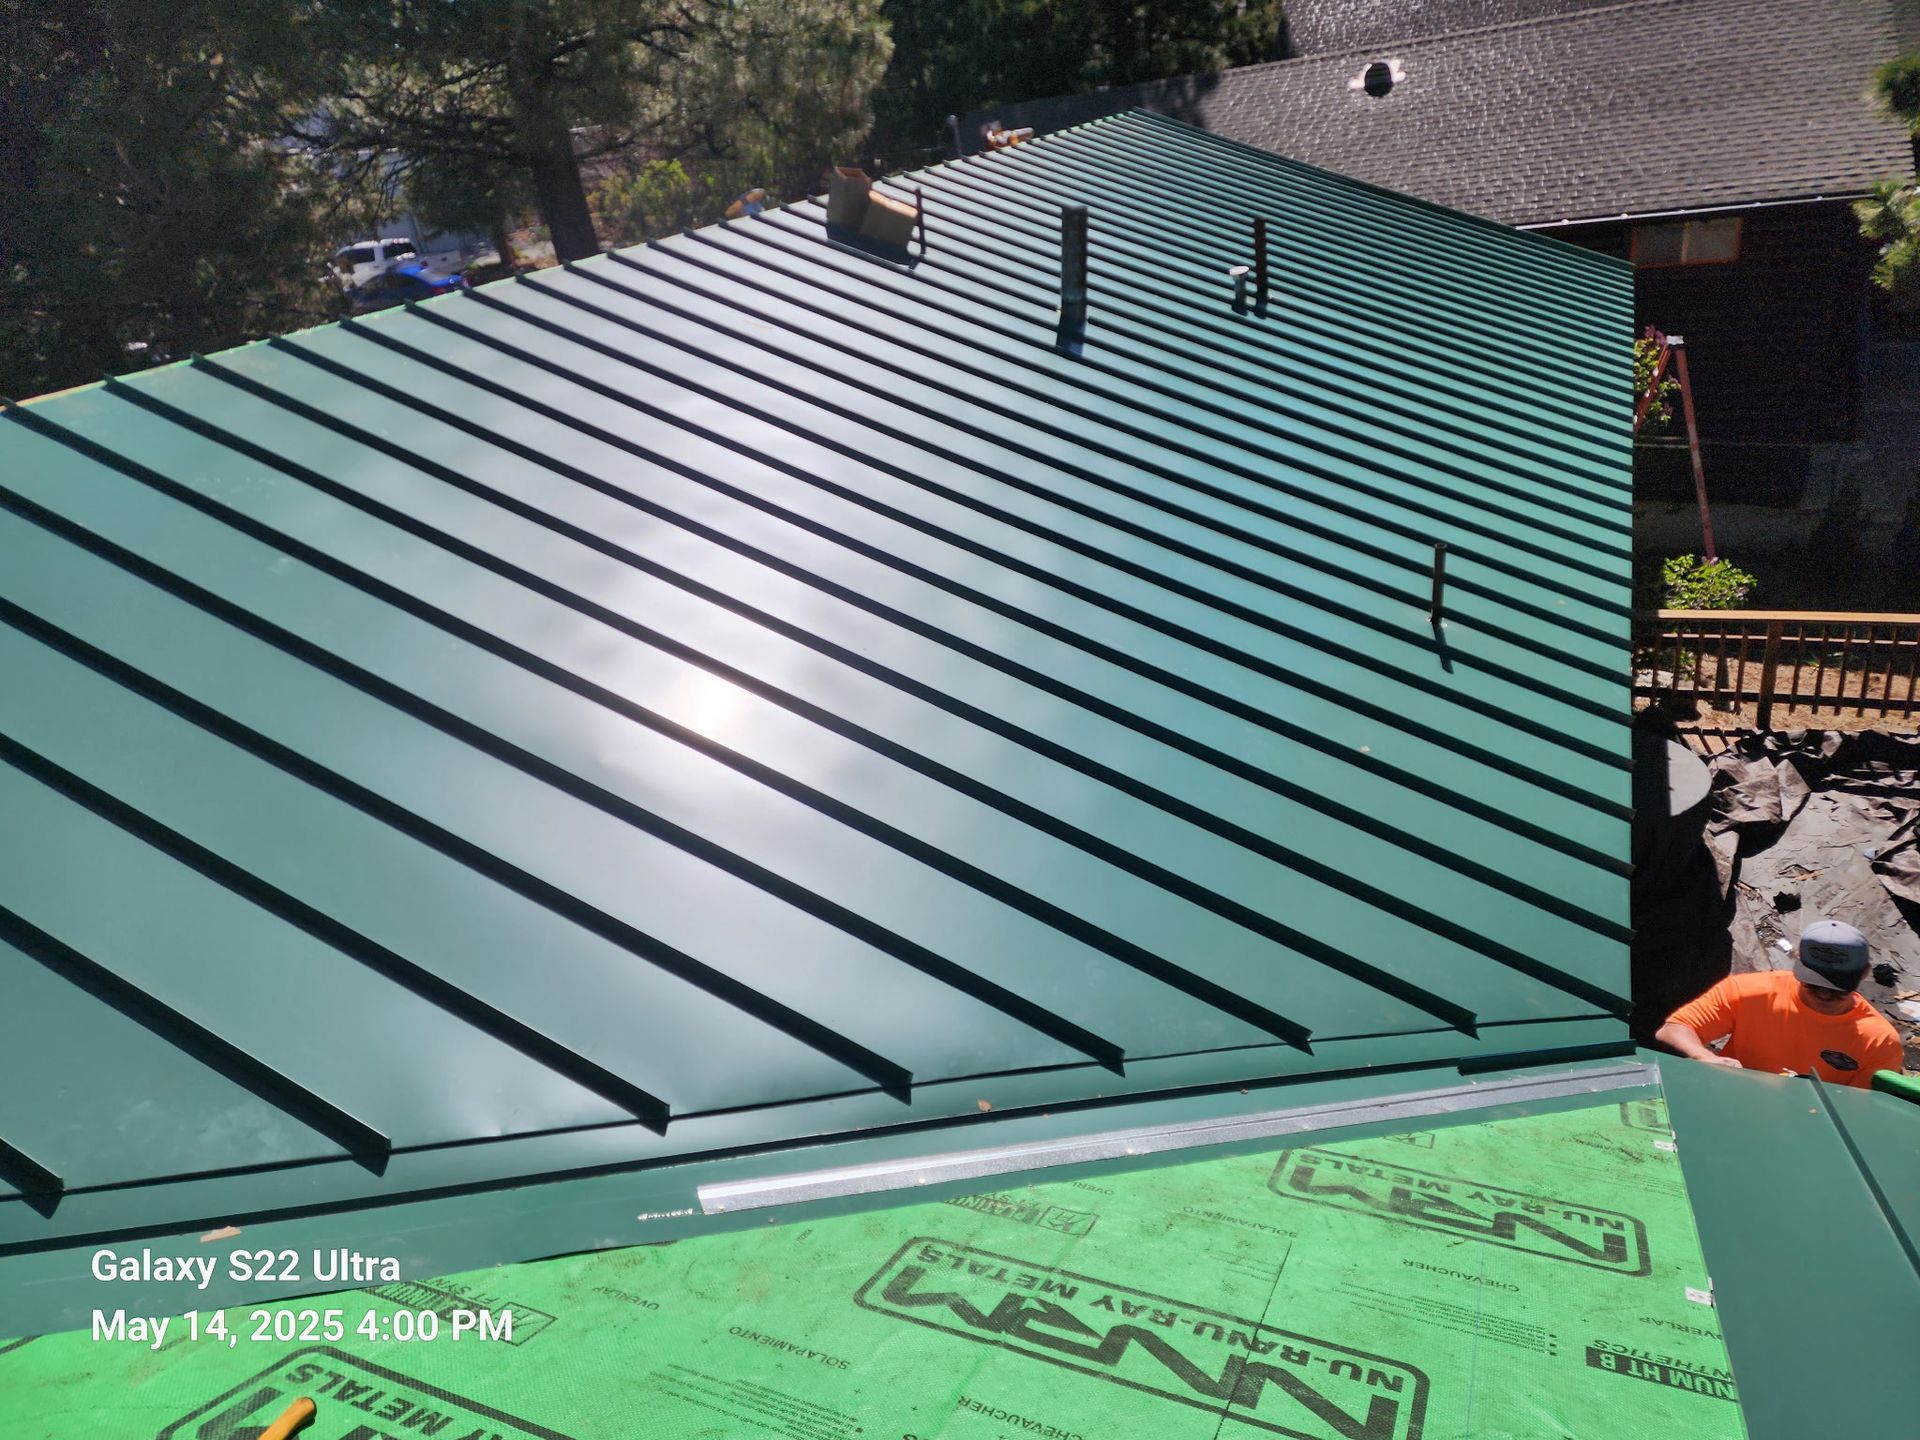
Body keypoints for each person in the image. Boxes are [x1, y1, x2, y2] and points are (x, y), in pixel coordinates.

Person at [1656, 919, 1903, 1087]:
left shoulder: (1879, 1040)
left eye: (1836, 986)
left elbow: (1864, 1108)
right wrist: (1704, 1057)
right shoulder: (1752, 991)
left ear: (1864, 973)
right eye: (1815, 984)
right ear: (1799, 964)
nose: (1825, 994)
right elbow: (1674, 1029)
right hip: (1732, 1100)